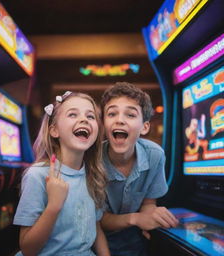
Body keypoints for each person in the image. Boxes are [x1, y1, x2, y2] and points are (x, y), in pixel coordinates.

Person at [13, 91, 110, 256]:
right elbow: (28, 249)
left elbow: (95, 225)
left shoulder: (93, 174)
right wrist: (53, 206)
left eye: (91, 116)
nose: (84, 119)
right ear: (54, 130)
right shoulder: (37, 175)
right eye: (73, 114)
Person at [100, 82, 179, 256]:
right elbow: (97, 219)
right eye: (112, 113)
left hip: (137, 245)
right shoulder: (93, 160)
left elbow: (148, 203)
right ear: (103, 123)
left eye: (130, 114)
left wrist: (152, 216)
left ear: (145, 127)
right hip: (98, 246)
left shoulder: (155, 155)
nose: (119, 119)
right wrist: (136, 218)